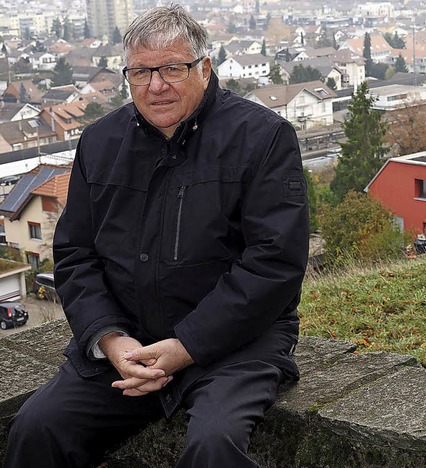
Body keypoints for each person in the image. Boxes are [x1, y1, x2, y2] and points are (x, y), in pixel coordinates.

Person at [3, 5, 309, 468]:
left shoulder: (262, 137)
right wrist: (109, 338)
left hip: (236, 345)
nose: (155, 85)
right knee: (35, 429)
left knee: (214, 445)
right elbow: (74, 254)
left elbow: (274, 263)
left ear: (204, 68)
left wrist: (185, 347)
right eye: (141, 72)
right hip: (129, 343)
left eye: (171, 68)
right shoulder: (100, 142)